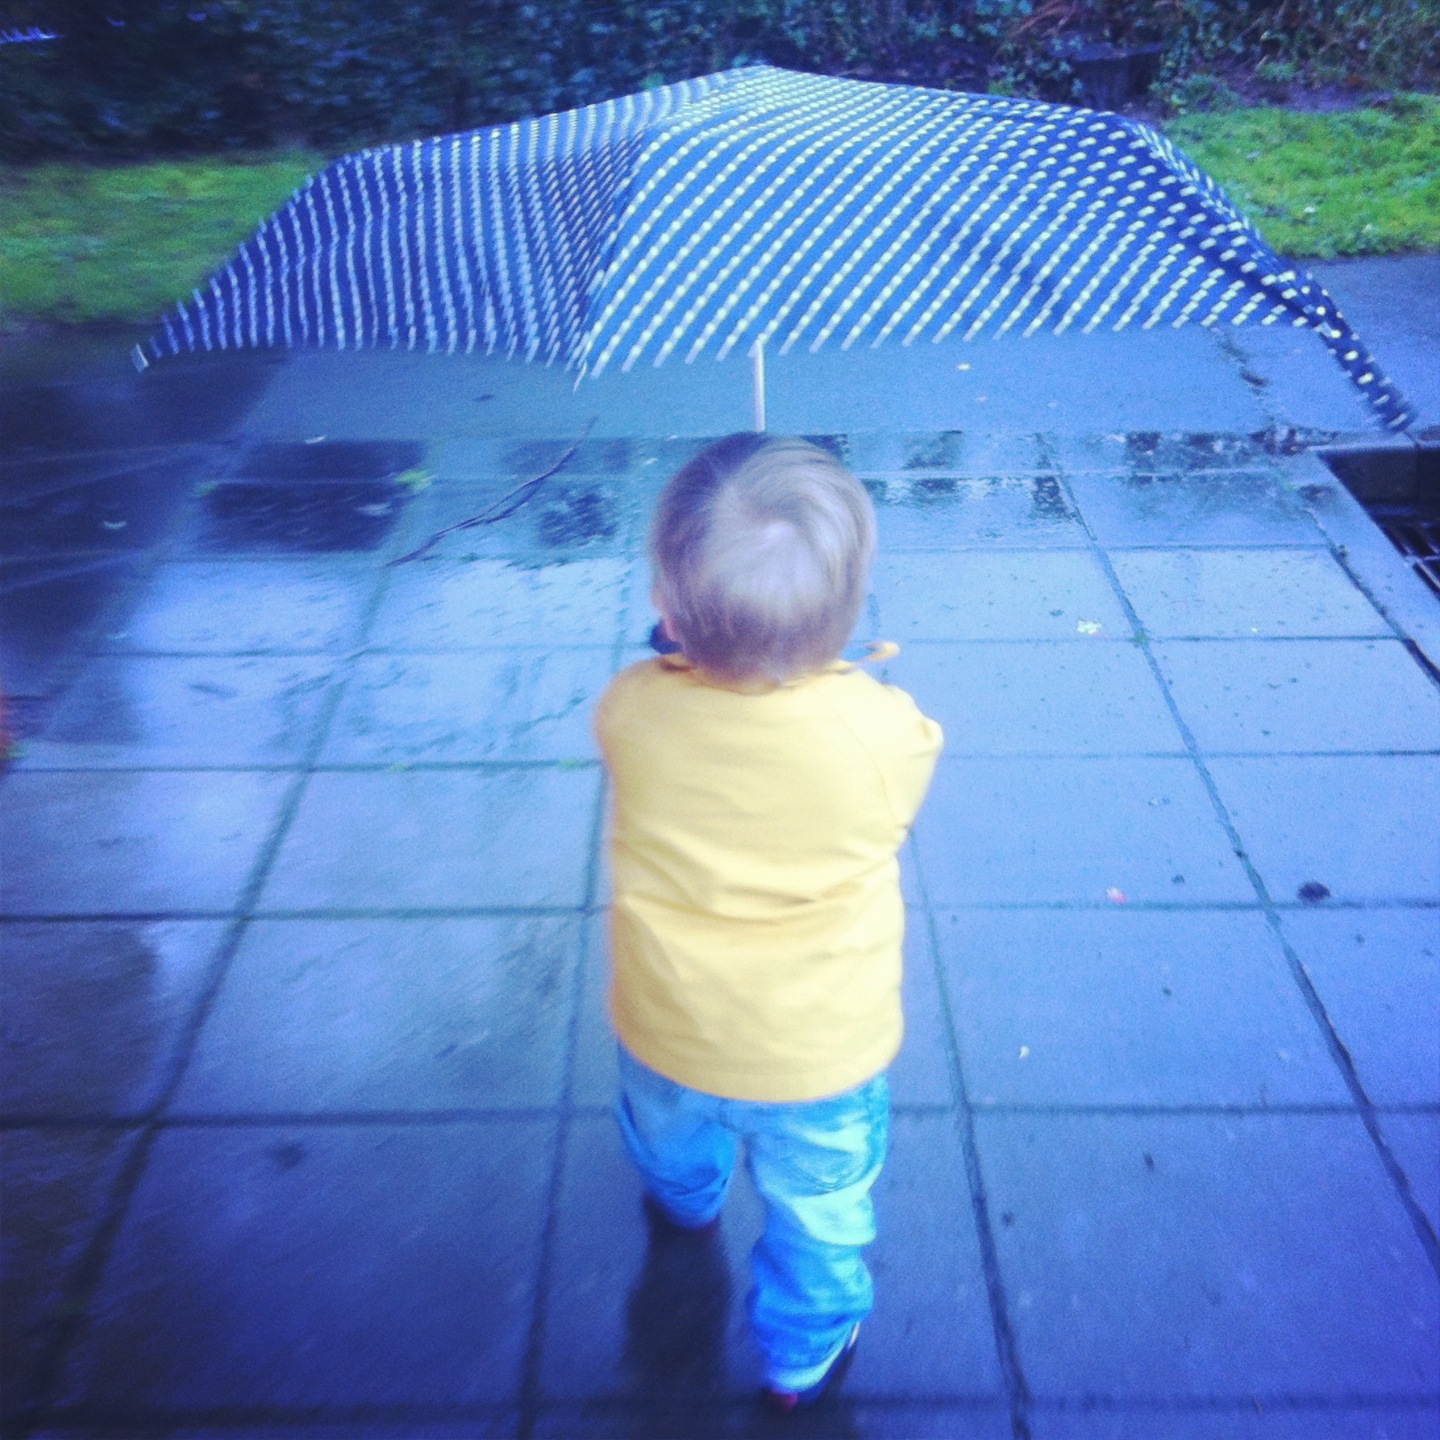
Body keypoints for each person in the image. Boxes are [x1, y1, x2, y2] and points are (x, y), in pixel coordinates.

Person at [593, 433, 943, 1410]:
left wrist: (687, 649)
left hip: (669, 1026)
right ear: (847, 609)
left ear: (667, 611)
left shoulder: (632, 711)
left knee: (669, 1137)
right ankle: (800, 1358)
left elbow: (654, 701)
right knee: (819, 1214)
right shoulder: (877, 734)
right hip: (818, 1057)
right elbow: (917, 744)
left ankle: (685, 1203)